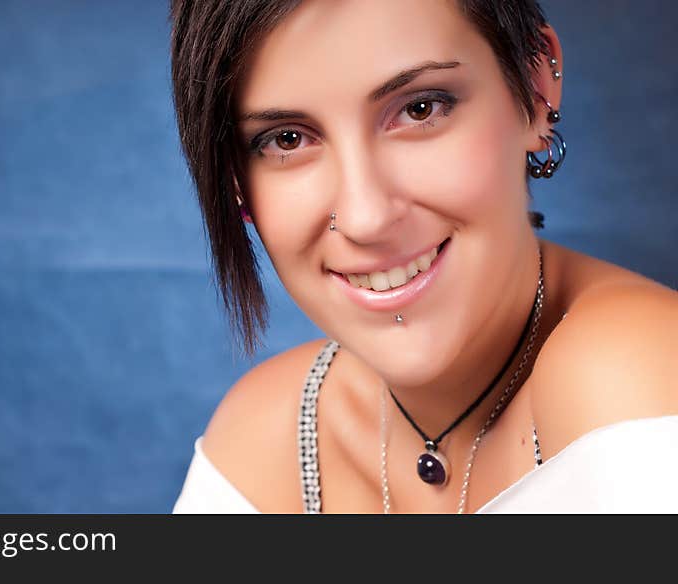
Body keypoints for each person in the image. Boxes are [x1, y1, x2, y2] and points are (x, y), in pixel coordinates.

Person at [167, 0, 678, 513]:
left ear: (535, 87)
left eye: (420, 108)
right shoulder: (266, 433)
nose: (366, 217)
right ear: (235, 181)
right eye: (287, 139)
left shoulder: (634, 376)